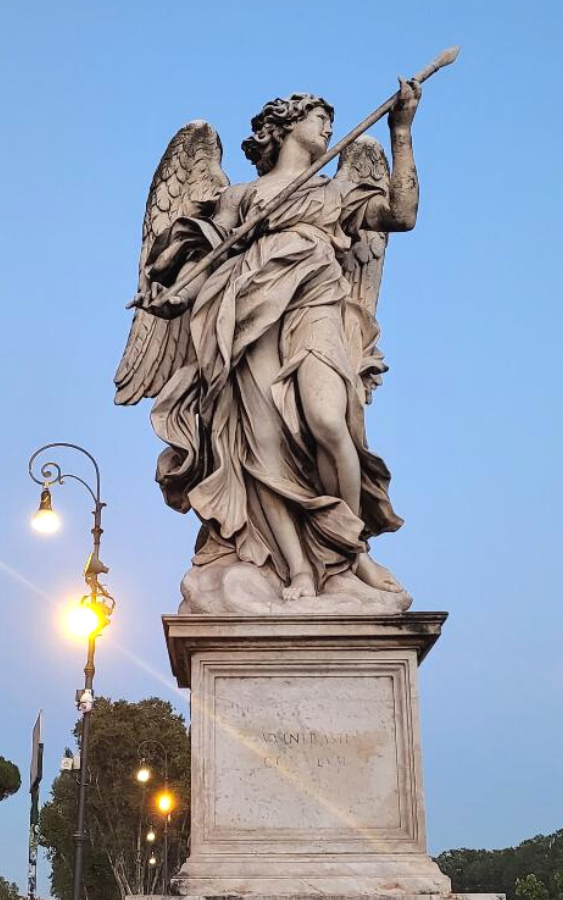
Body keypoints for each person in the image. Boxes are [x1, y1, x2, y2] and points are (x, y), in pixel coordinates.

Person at [140, 80, 421, 600]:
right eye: (318, 118)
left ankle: (348, 554)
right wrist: (175, 301)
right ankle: (297, 568)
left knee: (327, 422)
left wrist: (400, 131)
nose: (329, 127)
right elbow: (209, 261)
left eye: (331, 121)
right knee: (260, 445)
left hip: (316, 303)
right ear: (287, 126)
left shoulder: (334, 192)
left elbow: (401, 215)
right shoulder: (238, 196)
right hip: (245, 313)